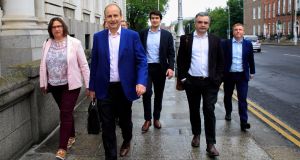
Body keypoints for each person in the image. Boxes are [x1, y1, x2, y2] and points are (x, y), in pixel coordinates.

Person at [89, 3, 147, 160]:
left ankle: (127, 140)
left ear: (121, 17)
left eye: (115, 15)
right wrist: (91, 87)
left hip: (124, 88)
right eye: (109, 16)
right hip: (104, 88)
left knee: (125, 121)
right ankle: (111, 156)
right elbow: (94, 63)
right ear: (105, 18)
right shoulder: (98, 37)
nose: (113, 19)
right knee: (107, 125)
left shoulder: (132, 36)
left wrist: (141, 82)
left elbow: (142, 60)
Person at [39, 17, 90, 160]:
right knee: (66, 112)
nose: (57, 29)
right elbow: (43, 64)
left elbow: (84, 65)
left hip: (71, 85)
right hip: (54, 85)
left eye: (59, 26)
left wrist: (89, 86)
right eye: (54, 27)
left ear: (64, 27)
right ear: (50, 29)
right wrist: (43, 82)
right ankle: (71, 135)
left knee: (65, 113)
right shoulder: (47, 43)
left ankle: (62, 148)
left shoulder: (74, 43)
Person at [176, 12, 224, 157]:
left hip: (210, 83)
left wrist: (217, 80)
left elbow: (221, 62)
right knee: (194, 109)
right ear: (195, 23)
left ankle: (210, 143)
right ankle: (196, 134)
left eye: (205, 22)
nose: (202, 25)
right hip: (192, 82)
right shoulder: (186, 39)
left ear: (209, 24)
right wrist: (184, 79)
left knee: (209, 110)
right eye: (200, 22)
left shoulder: (216, 40)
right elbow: (181, 61)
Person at [139, 10, 175, 133]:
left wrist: (171, 67)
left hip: (160, 68)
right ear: (150, 20)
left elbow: (171, 53)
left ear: (160, 20)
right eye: (152, 18)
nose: (154, 20)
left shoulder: (167, 35)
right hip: (146, 68)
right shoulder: (143, 33)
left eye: (157, 18)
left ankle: (156, 119)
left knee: (159, 94)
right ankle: (147, 119)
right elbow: (138, 51)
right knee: (147, 92)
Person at [222, 23, 255, 132]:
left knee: (242, 99)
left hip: (242, 75)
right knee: (227, 96)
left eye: (240, 29)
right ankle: (228, 112)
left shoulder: (248, 44)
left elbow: (251, 59)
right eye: (236, 29)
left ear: (243, 32)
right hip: (229, 75)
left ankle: (243, 122)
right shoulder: (226, 43)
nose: (238, 31)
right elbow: (221, 59)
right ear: (233, 32)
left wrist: (252, 72)